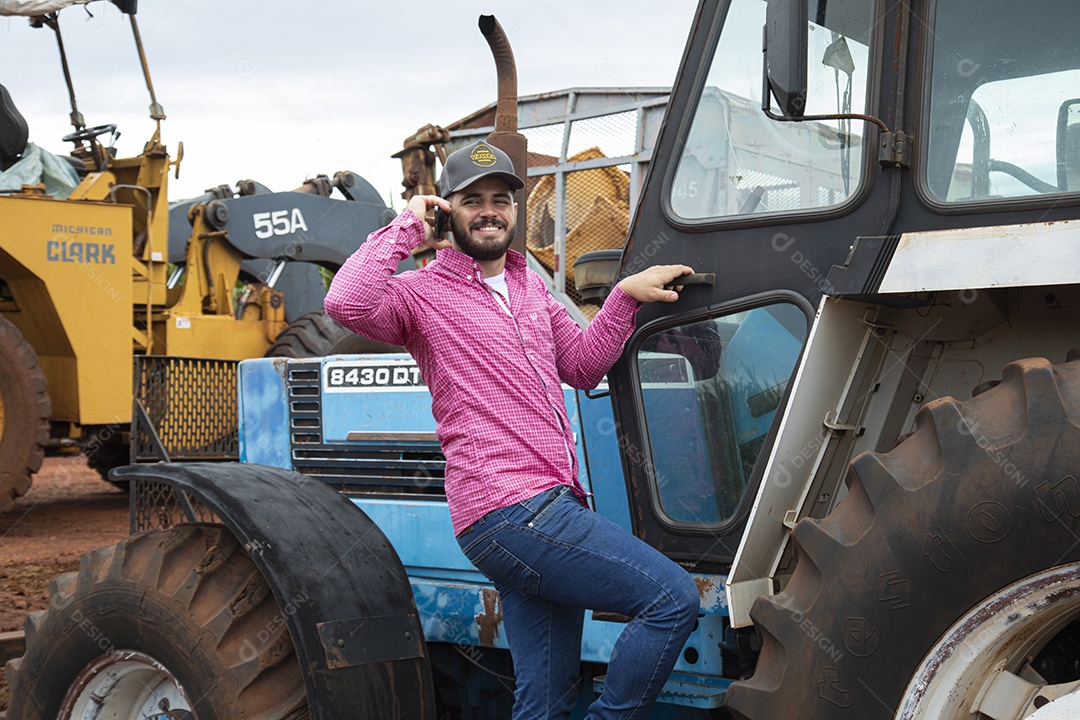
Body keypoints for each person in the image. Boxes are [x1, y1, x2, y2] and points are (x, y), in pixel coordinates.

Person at [324, 139, 701, 720]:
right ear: (447, 210)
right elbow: (346, 303)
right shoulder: (421, 296)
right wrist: (406, 228)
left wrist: (623, 297)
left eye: (500, 198)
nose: (489, 210)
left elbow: (580, 365)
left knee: (544, 699)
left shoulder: (530, 289)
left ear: (516, 209)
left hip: (546, 506)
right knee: (671, 598)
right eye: (471, 200)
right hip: (509, 510)